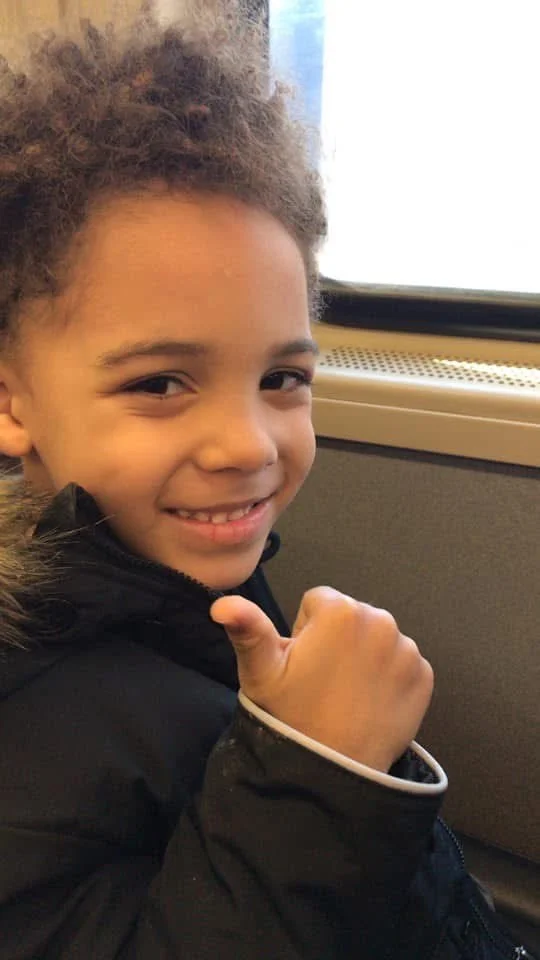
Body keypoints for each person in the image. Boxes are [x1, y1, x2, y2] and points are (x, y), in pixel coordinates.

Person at [0, 4, 533, 958]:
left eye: (282, 378)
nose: (248, 445)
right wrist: (322, 776)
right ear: (12, 402)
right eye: (160, 382)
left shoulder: (171, 585)